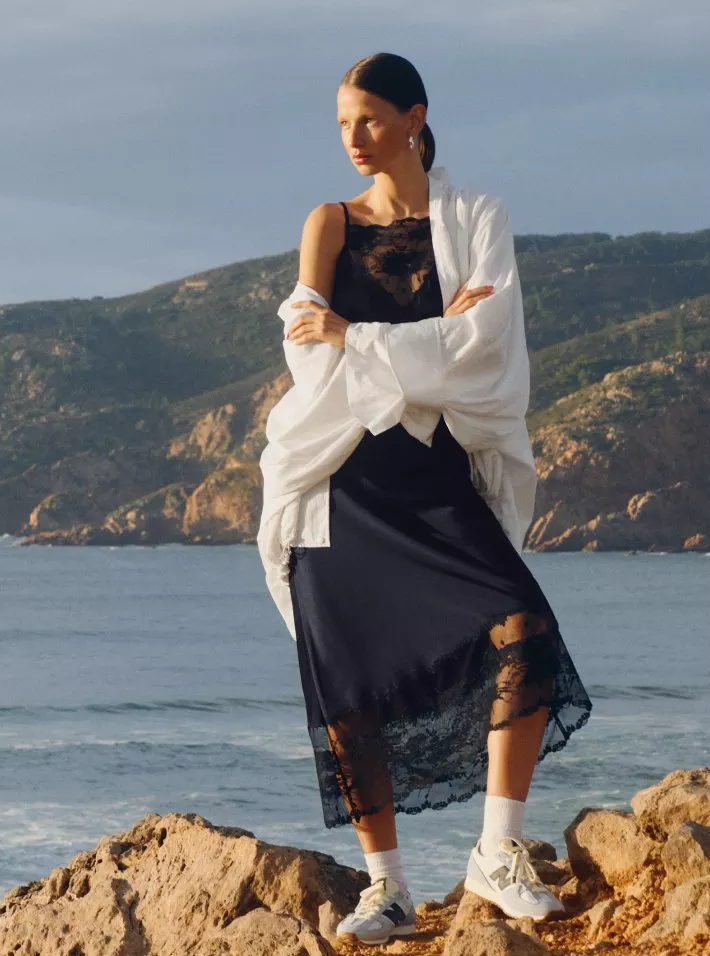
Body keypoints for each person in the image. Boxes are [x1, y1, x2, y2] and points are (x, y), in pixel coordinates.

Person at [266, 52, 593, 945]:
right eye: (341, 123)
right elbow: (307, 352)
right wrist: (421, 344)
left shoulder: (477, 216)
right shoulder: (328, 223)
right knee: (350, 685)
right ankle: (389, 890)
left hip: (436, 473)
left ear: (415, 117)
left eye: (368, 119)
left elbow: (484, 347)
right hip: (342, 481)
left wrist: (360, 336)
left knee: (521, 625)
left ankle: (497, 850)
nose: (353, 138)